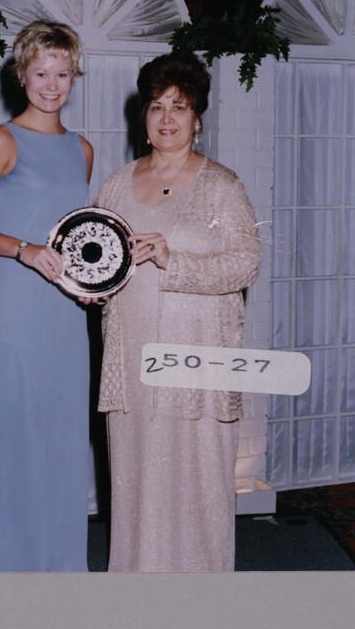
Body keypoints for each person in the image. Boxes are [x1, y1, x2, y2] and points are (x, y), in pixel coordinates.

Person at [95, 52, 261, 572]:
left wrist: (175, 259)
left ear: (197, 119)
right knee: (136, 482)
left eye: (179, 107)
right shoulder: (116, 185)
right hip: (133, 360)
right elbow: (102, 261)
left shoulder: (222, 185)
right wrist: (92, 287)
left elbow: (246, 264)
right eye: (156, 107)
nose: (167, 118)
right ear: (143, 119)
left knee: (198, 485)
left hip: (196, 362)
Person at [0, 20, 94, 571]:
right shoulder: (0, 141)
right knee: (7, 437)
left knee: (58, 439)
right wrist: (22, 249)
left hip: (62, 313)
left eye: (62, 74)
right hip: (10, 307)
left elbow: (76, 237)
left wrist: (90, 285)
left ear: (73, 76)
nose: (52, 85)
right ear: (20, 75)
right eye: (41, 73)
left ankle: (52, 568)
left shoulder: (82, 150)